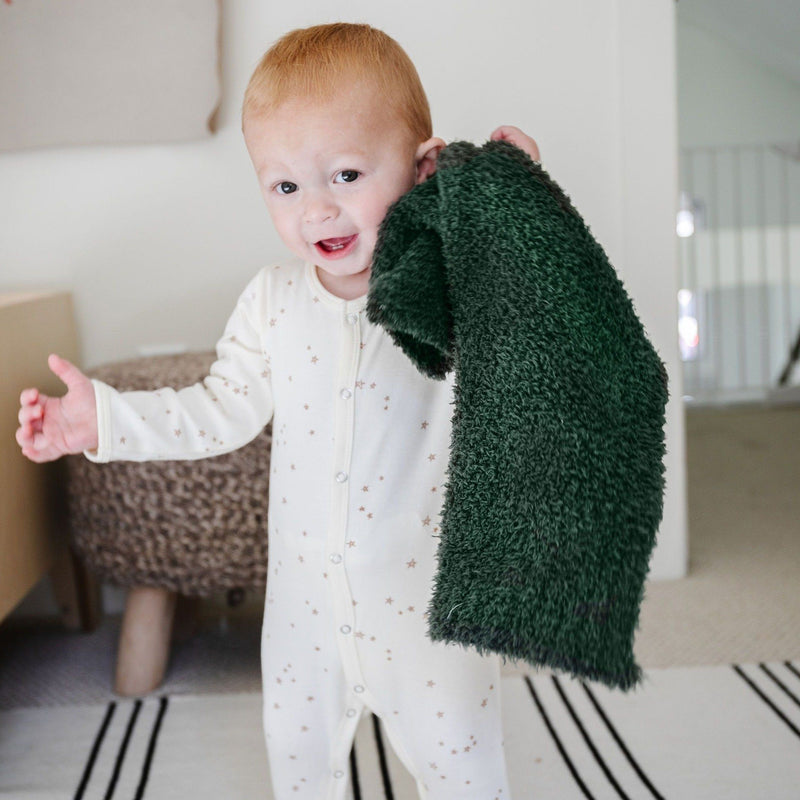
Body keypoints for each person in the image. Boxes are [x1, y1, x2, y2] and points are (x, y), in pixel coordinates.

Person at [17, 23, 540, 800]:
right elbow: (218, 409)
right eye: (285, 186)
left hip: (428, 609)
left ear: (422, 166)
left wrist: (507, 210)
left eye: (348, 174)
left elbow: (528, 328)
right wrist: (107, 422)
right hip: (305, 615)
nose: (317, 209)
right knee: (299, 764)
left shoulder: (449, 288)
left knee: (462, 764)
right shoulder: (273, 302)